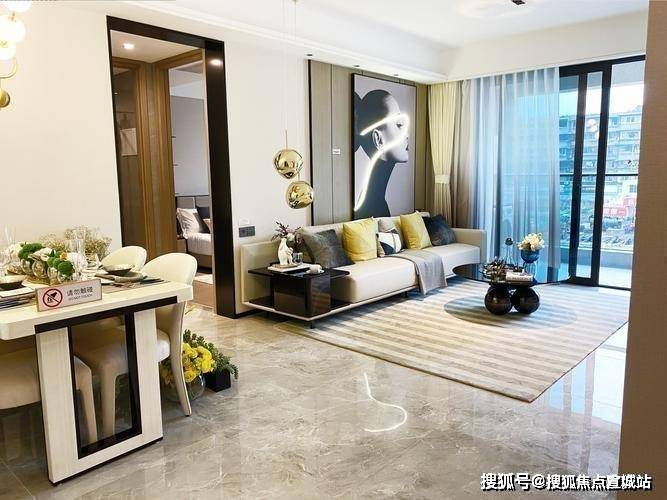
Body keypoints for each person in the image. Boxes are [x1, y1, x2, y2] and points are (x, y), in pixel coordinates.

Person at [353, 89, 410, 219]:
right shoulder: (372, 207)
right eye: (399, 125)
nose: (407, 134)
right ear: (378, 139)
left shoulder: (376, 201)